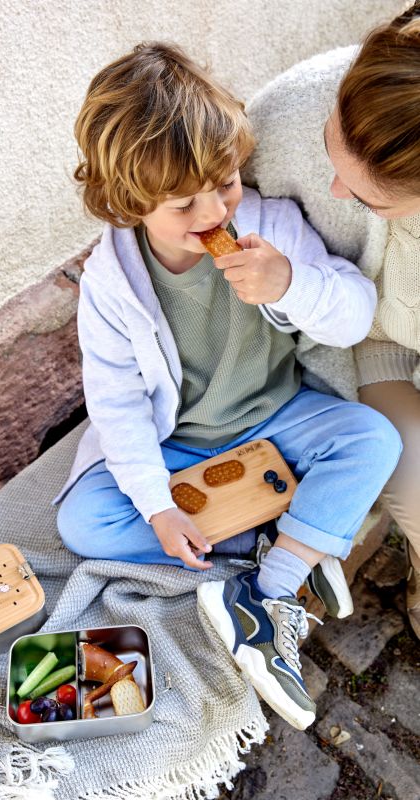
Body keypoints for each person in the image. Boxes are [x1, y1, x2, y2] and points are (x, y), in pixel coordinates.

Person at [54, 42, 402, 730]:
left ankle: (266, 596)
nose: (215, 210)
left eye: (226, 182)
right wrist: (156, 504)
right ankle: (294, 544)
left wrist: (291, 283)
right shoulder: (112, 284)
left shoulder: (268, 228)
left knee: (374, 439)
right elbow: (117, 402)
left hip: (278, 417)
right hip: (181, 442)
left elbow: (355, 312)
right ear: (129, 204)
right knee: (83, 521)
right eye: (185, 203)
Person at [245, 0, 420, 640]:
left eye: (371, 196)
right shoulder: (299, 108)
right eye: (331, 144)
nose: (336, 193)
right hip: (375, 345)